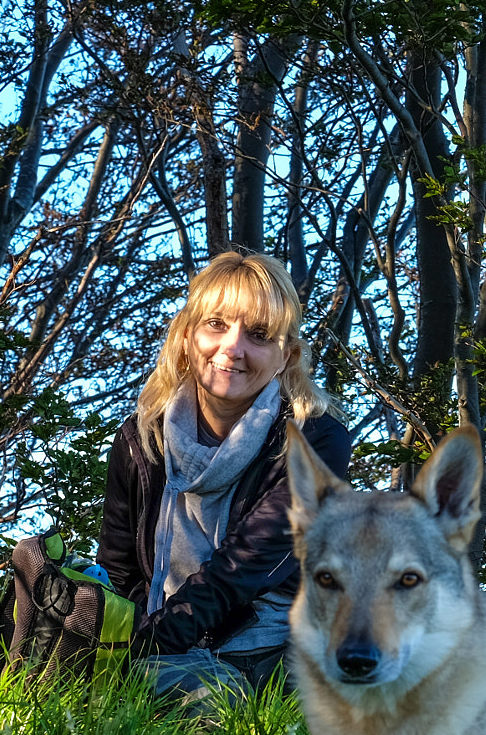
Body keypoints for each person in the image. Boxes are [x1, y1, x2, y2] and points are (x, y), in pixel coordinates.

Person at [100, 251, 352, 707]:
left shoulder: (315, 440)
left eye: (258, 335)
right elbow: (121, 569)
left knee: (187, 706)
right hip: (162, 641)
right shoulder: (142, 438)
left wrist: (141, 653)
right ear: (185, 337)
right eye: (216, 324)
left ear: (285, 356)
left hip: (269, 652)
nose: (233, 348)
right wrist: (123, 645)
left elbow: (242, 569)